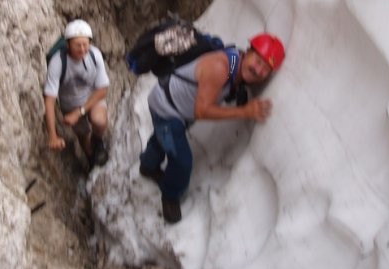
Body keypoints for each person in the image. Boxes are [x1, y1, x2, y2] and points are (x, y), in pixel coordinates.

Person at [139, 33, 285, 223]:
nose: (258, 69)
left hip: (172, 104)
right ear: (247, 52)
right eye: (258, 60)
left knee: (162, 139)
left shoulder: (236, 64)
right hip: (167, 109)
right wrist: (244, 112)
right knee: (182, 161)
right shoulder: (220, 67)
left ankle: (148, 166)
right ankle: (170, 195)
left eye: (265, 68)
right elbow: (202, 111)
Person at [44, 19, 110, 169]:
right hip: (70, 103)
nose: (82, 49)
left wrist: (79, 113)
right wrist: (52, 136)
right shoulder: (58, 62)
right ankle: (90, 157)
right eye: (77, 45)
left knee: (99, 120)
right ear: (68, 45)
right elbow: (49, 100)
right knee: (83, 135)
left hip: (91, 97)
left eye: (85, 44)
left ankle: (98, 143)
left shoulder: (95, 55)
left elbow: (102, 89)